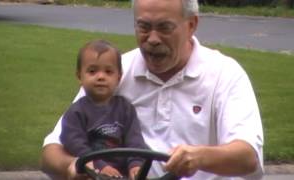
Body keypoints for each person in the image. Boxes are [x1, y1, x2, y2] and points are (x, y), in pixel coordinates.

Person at [41, 0, 264, 179]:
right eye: (144, 27)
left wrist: (200, 156)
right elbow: (51, 152)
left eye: (165, 27)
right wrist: (72, 167)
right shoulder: (114, 72)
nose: (153, 39)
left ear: (191, 25)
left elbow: (248, 157)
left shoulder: (224, 74)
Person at [59, 40, 147, 179]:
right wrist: (100, 166)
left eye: (108, 71)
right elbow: (76, 145)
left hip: (123, 175)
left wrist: (135, 164)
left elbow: (134, 140)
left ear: (118, 77)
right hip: (92, 173)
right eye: (92, 71)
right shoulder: (76, 112)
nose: (101, 77)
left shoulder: (125, 109)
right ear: (79, 76)